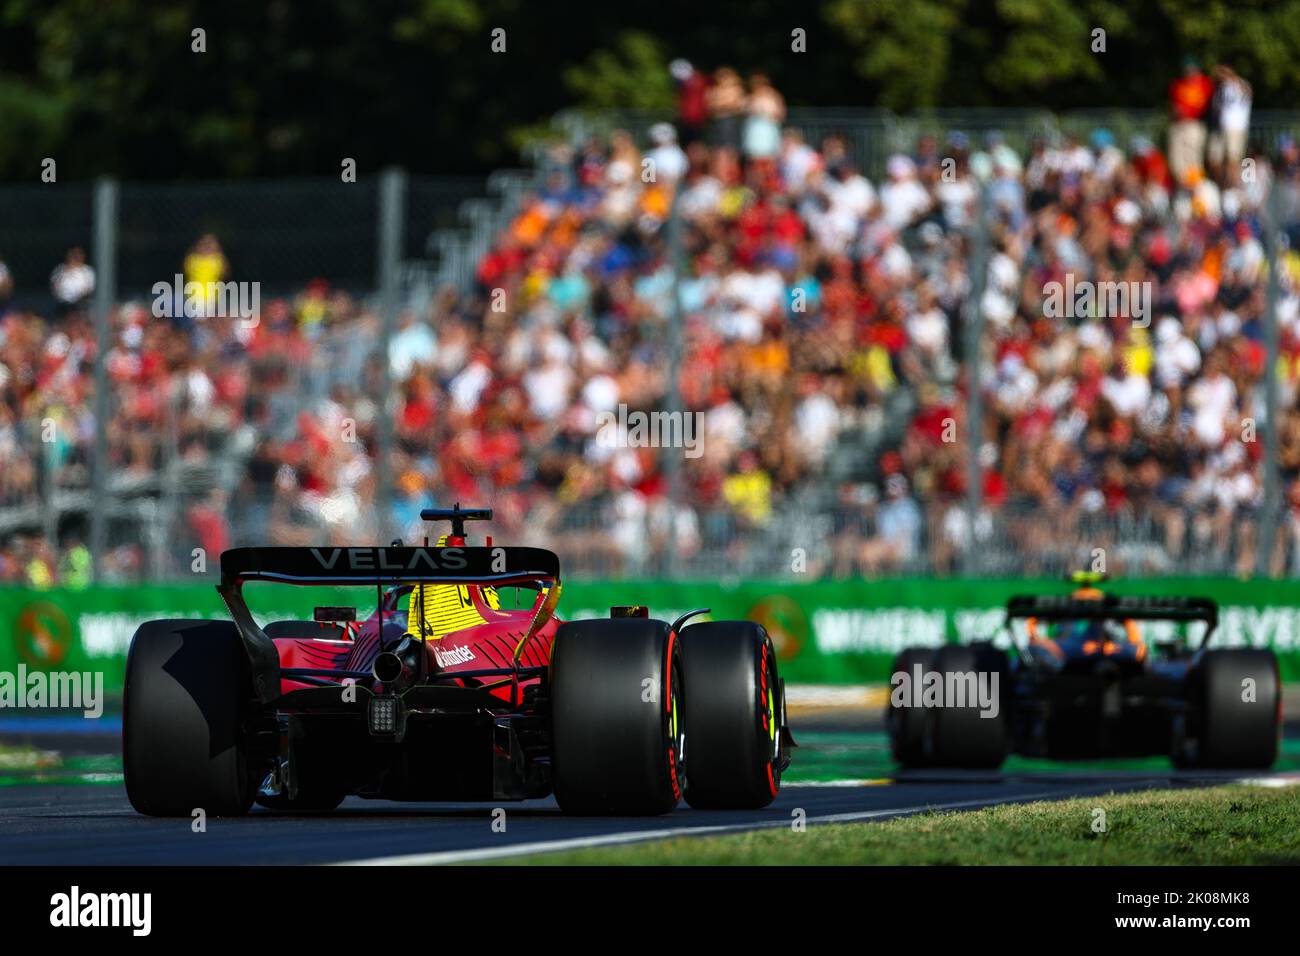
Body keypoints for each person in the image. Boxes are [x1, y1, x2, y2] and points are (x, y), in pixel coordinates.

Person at [1168, 56, 1214, 183]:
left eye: (1191, 69)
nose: (1189, 72)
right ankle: (1182, 187)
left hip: (1194, 124)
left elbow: (1205, 105)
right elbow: (1172, 104)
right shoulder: (1178, 84)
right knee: (1177, 162)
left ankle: (1196, 188)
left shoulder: (1204, 83)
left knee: (1193, 160)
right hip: (1178, 125)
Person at [1208, 64, 1252, 185]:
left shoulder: (1241, 84)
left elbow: (1246, 92)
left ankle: (1233, 187)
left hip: (1236, 128)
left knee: (1233, 160)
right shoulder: (1220, 88)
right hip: (1220, 128)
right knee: (1214, 159)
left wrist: (1232, 77)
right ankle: (1221, 186)